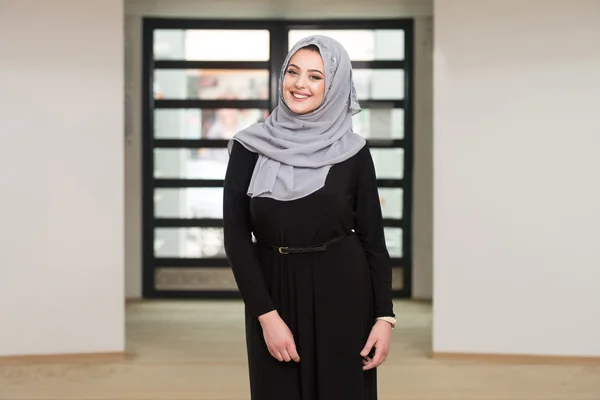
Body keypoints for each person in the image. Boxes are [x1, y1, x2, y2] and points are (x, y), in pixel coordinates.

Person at [223, 35, 396, 400]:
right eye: (293, 72)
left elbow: (373, 241)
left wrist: (384, 318)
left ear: (334, 87)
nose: (300, 84)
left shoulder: (353, 152)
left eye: (316, 77)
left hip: (345, 292)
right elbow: (237, 240)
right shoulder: (248, 147)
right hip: (274, 291)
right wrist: (266, 317)